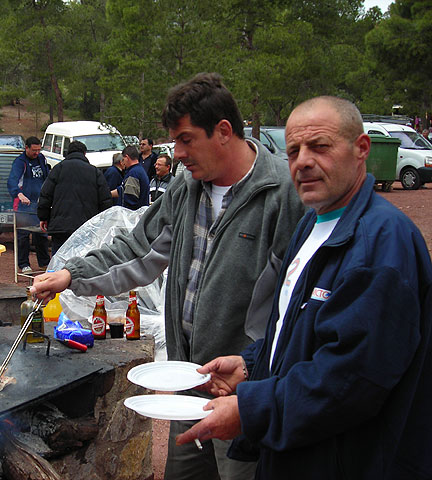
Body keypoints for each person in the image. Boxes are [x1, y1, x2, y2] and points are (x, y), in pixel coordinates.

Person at [30, 72, 306, 480]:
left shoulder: (283, 193)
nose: (176, 153)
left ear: (224, 131)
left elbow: (295, 309)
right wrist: (71, 274)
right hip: (187, 382)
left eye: (185, 139)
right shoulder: (186, 188)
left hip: (243, 393)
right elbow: (137, 249)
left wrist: (257, 378)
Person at [175, 96, 432, 480]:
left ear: (362, 149)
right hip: (299, 452)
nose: (303, 161)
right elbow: (295, 332)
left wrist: (252, 409)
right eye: (293, 150)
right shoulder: (312, 225)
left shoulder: (381, 243)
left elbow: (352, 380)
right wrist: (251, 364)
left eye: (320, 146)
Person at [37, 140, 113, 253]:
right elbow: (105, 201)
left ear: (68, 153)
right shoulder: (95, 172)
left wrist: (43, 217)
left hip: (60, 226)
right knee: (83, 261)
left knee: (59, 260)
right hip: (86, 227)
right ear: (84, 153)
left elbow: (45, 195)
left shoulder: (58, 169)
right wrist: (102, 223)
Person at [7, 136, 50, 273]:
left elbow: (47, 177)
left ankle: (44, 262)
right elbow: (12, 181)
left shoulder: (41, 158)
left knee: (42, 233)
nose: (36, 153)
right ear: (26, 148)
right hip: (23, 205)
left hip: (39, 203)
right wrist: (19, 194)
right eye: (34, 150)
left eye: (38, 150)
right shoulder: (20, 162)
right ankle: (24, 263)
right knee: (23, 235)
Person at [120, 145, 150, 210]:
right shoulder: (139, 170)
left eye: (123, 159)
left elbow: (130, 199)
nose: (123, 162)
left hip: (134, 215)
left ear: (127, 157)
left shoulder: (133, 174)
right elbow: (122, 189)